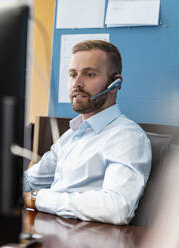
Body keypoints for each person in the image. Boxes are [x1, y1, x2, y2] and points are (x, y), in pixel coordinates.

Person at [23, 40, 152, 225]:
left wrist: (39, 198)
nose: (77, 83)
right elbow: (32, 180)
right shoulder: (71, 136)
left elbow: (117, 208)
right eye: (72, 74)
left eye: (89, 74)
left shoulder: (127, 137)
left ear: (115, 84)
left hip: (89, 238)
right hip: (53, 232)